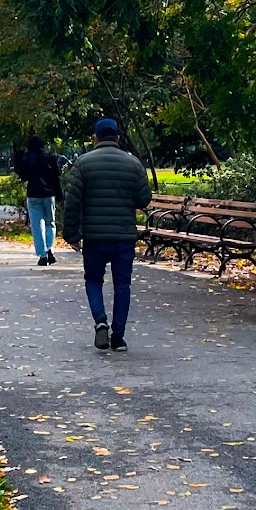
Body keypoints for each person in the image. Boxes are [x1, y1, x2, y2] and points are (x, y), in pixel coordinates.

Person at [61, 117, 151, 351]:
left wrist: (72, 234)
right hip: (123, 236)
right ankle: (118, 336)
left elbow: (72, 202)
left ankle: (101, 321)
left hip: (94, 236)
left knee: (93, 280)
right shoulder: (133, 164)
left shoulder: (82, 163)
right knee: (122, 284)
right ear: (118, 138)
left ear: (95, 138)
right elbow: (144, 199)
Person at [14, 135, 62, 265]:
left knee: (37, 225)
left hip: (34, 193)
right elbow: (57, 174)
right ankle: (50, 248)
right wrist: (59, 193)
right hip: (48, 193)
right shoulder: (50, 157)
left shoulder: (28, 157)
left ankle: (42, 255)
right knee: (50, 222)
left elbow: (23, 176)